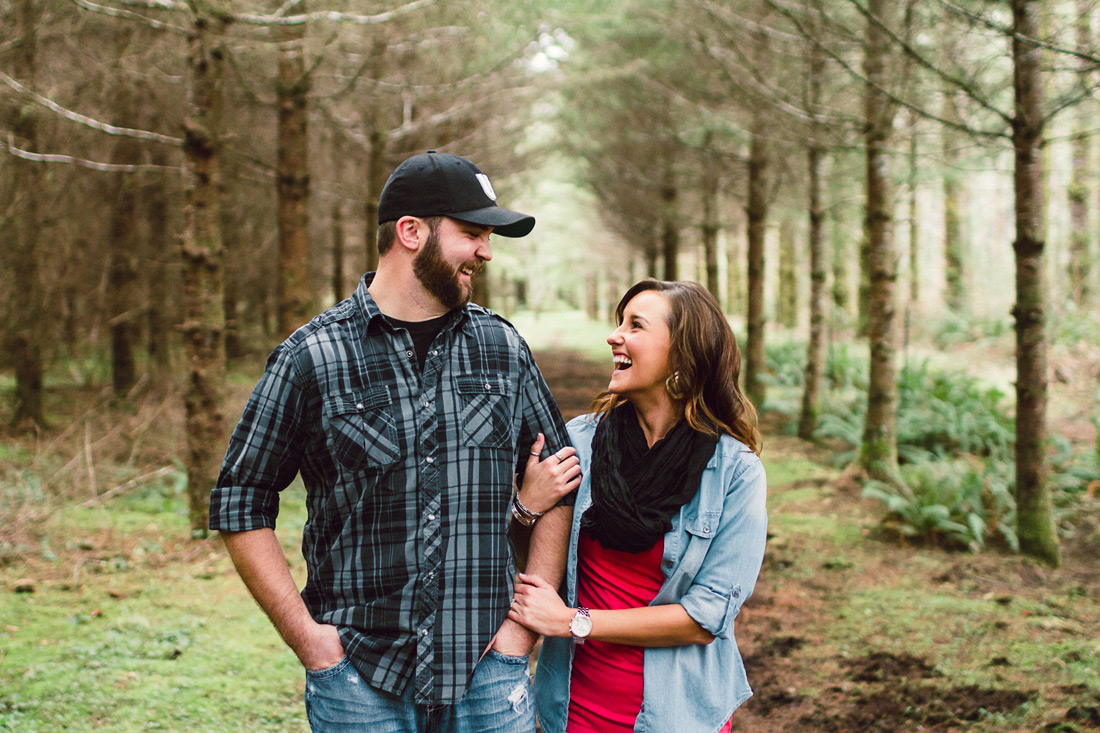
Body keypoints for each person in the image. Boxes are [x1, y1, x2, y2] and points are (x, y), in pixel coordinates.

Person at [208, 151, 582, 732]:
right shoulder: (313, 357)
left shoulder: (501, 349)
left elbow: (559, 479)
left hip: (487, 673)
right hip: (359, 680)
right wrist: (311, 643)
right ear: (411, 232)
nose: (486, 251)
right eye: (472, 234)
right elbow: (240, 501)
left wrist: (521, 631)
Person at [509, 279, 767, 733]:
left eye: (635, 325)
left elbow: (706, 617)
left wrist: (574, 622)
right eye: (618, 323)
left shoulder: (735, 472)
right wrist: (525, 506)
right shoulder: (582, 443)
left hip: (676, 714)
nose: (615, 336)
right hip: (570, 708)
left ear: (681, 356)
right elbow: (531, 569)